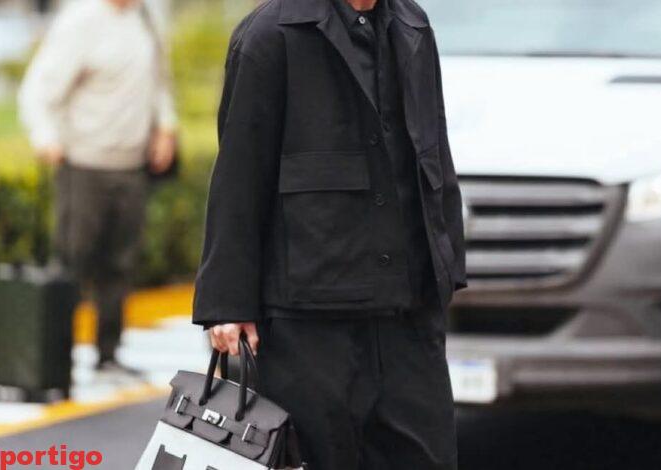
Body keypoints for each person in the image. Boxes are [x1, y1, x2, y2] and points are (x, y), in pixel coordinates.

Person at [193, 0, 465, 468]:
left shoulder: (413, 25)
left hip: (406, 318)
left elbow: (434, 149)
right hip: (307, 324)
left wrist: (446, 265)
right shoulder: (270, 35)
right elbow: (239, 174)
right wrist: (227, 304)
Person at [19, 0, 177, 373]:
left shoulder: (145, 16)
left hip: (132, 166)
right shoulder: (80, 20)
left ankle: (109, 354)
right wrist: (45, 137)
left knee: (120, 264)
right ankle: (55, 359)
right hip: (84, 165)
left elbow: (159, 81)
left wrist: (165, 127)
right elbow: (38, 89)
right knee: (73, 263)